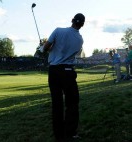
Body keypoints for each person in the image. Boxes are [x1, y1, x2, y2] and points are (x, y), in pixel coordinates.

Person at [39, 13, 85, 141]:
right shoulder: (80, 40)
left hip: (54, 71)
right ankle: (70, 132)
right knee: (72, 103)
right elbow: (68, 52)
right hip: (68, 72)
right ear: (82, 24)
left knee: (57, 104)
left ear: (72, 20)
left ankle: (59, 135)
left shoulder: (58, 30)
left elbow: (47, 48)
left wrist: (43, 47)